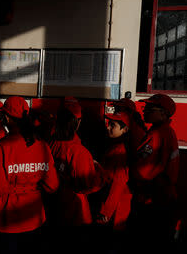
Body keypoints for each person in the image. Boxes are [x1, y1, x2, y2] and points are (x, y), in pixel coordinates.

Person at [0, 96, 59, 253]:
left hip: (7, 219)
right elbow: (52, 186)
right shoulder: (42, 145)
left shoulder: (1, 147)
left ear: (6, 117)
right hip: (35, 217)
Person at [48, 97, 103, 252]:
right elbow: (87, 185)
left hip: (54, 207)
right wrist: (100, 173)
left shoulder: (50, 144)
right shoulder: (79, 151)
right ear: (77, 122)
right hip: (75, 211)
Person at [128, 94, 180, 252]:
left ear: (164, 113)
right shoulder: (167, 131)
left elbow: (142, 171)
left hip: (152, 198)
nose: (145, 111)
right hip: (163, 196)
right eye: (145, 108)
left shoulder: (156, 135)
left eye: (150, 108)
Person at [94, 111, 133, 253]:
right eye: (108, 124)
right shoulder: (116, 146)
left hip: (115, 208)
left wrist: (106, 212)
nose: (108, 127)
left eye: (113, 125)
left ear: (125, 129)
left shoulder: (120, 152)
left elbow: (118, 183)